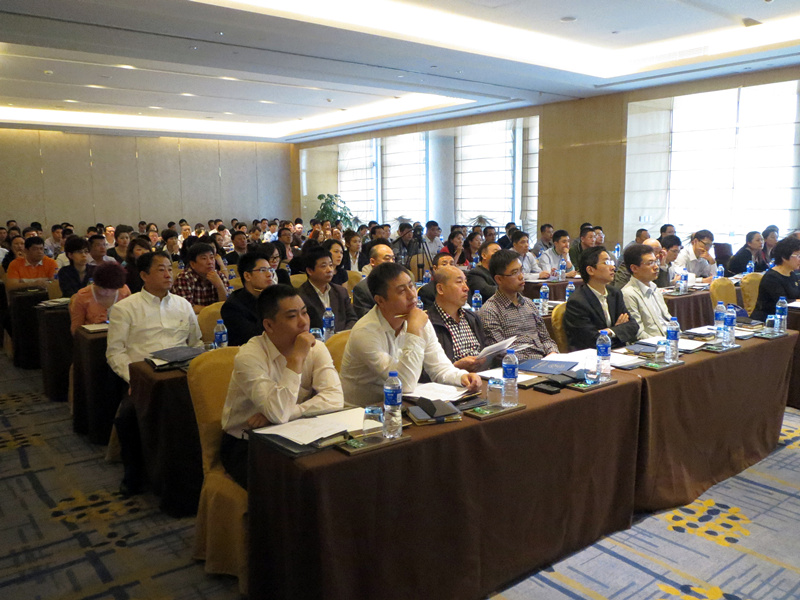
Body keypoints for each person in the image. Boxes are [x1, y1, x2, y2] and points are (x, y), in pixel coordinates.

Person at [221, 285, 344, 489]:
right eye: (292, 316)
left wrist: (292, 412)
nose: (304, 322)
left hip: (297, 430)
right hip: (246, 443)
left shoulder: (317, 348)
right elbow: (279, 413)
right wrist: (296, 359)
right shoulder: (249, 357)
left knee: (337, 470)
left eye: (304, 312)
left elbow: (335, 398)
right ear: (269, 325)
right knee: (291, 487)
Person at [106, 251, 202, 495]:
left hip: (182, 373)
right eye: (161, 269)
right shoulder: (125, 308)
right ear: (144, 275)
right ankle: (133, 473)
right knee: (128, 416)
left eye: (170, 268)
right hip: (144, 375)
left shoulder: (182, 304)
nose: (168, 274)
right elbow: (115, 353)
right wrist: (135, 378)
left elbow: (196, 343)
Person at [340, 262, 482, 407]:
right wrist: (414, 330)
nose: (412, 295)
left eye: (411, 286)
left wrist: (462, 376)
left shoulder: (417, 319)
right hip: (365, 410)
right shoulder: (365, 332)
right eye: (402, 291)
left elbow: (439, 367)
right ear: (380, 300)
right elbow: (404, 384)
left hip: (403, 405)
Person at [479, 249, 558, 362]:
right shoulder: (490, 310)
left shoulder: (529, 303)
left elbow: (546, 339)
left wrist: (552, 353)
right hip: (517, 366)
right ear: (499, 279)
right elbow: (500, 354)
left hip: (544, 361)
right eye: (514, 272)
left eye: (521, 270)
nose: (521, 276)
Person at [564, 246, 638, 350]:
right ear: (590, 270)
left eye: (611, 262)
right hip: (593, 355)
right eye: (606, 263)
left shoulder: (615, 293)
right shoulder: (577, 302)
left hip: (618, 351)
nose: (613, 267)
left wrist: (609, 331)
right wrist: (618, 330)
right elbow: (592, 340)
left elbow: (633, 326)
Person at [428, 266, 487, 372]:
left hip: (480, 376)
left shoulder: (472, 318)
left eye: (465, 282)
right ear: (440, 289)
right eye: (459, 282)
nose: (466, 288)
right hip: (450, 380)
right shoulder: (428, 323)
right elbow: (423, 372)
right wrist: (455, 367)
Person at [221, 251, 274, 346]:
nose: (269, 274)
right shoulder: (232, 307)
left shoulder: (274, 297)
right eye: (262, 270)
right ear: (247, 276)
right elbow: (255, 338)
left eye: (270, 269)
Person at [298, 247, 357, 333]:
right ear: (310, 271)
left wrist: (340, 336)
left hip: (343, 338)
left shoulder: (340, 291)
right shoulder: (300, 296)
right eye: (323, 266)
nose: (329, 270)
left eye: (331, 265)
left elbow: (352, 318)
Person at [620, 244, 673, 339]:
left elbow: (667, 319)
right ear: (634, 268)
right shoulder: (628, 294)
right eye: (650, 263)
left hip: (670, 338)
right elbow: (638, 333)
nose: (656, 267)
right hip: (654, 343)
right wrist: (664, 343)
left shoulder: (654, 288)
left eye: (656, 261)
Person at [69, 262, 131, 334]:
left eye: (113, 290)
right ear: (95, 283)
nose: (108, 293)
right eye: (103, 289)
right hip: (93, 337)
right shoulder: (83, 296)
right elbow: (76, 329)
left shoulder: (124, 291)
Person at [751, 237, 800, 321]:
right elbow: (782, 303)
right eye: (798, 255)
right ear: (784, 257)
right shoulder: (772, 277)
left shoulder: (792, 274)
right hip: (768, 320)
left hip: (789, 317)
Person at [171, 242, 229, 313]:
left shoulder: (219, 276)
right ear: (193, 264)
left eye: (211, 258)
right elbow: (187, 307)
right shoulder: (184, 278)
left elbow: (227, 305)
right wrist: (213, 310)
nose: (210, 262)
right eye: (204, 258)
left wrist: (220, 286)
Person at [352, 242, 395, 318]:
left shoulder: (399, 283)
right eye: (387, 259)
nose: (391, 262)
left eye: (393, 259)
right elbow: (366, 318)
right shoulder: (362, 289)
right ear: (372, 262)